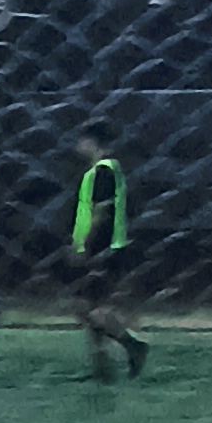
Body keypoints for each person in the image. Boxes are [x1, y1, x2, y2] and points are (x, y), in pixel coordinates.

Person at [70, 138, 149, 378]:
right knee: (87, 307)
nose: (77, 145)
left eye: (82, 140)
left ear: (94, 141)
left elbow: (101, 211)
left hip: (102, 248)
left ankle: (132, 345)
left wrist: (85, 243)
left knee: (92, 309)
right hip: (105, 247)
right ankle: (101, 365)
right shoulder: (104, 170)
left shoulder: (104, 170)